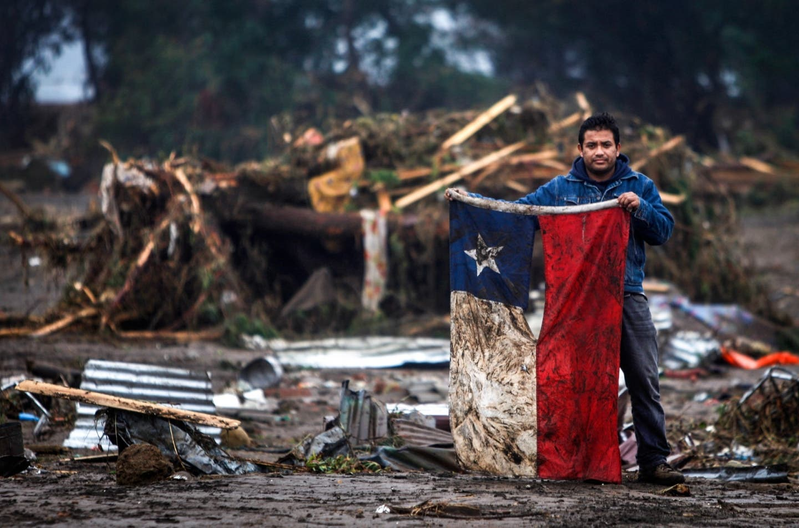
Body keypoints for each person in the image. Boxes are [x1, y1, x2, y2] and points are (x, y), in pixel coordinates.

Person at [445, 112, 684, 485]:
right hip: (574, 302)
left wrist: (640, 208)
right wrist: (470, 202)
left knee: (643, 379)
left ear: (618, 148)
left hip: (625, 295)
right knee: (571, 381)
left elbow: (663, 231)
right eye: (592, 145)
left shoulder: (640, 184)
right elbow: (519, 215)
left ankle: (653, 460)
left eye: (606, 145)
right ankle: (575, 460)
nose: (599, 151)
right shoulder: (559, 189)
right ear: (580, 149)